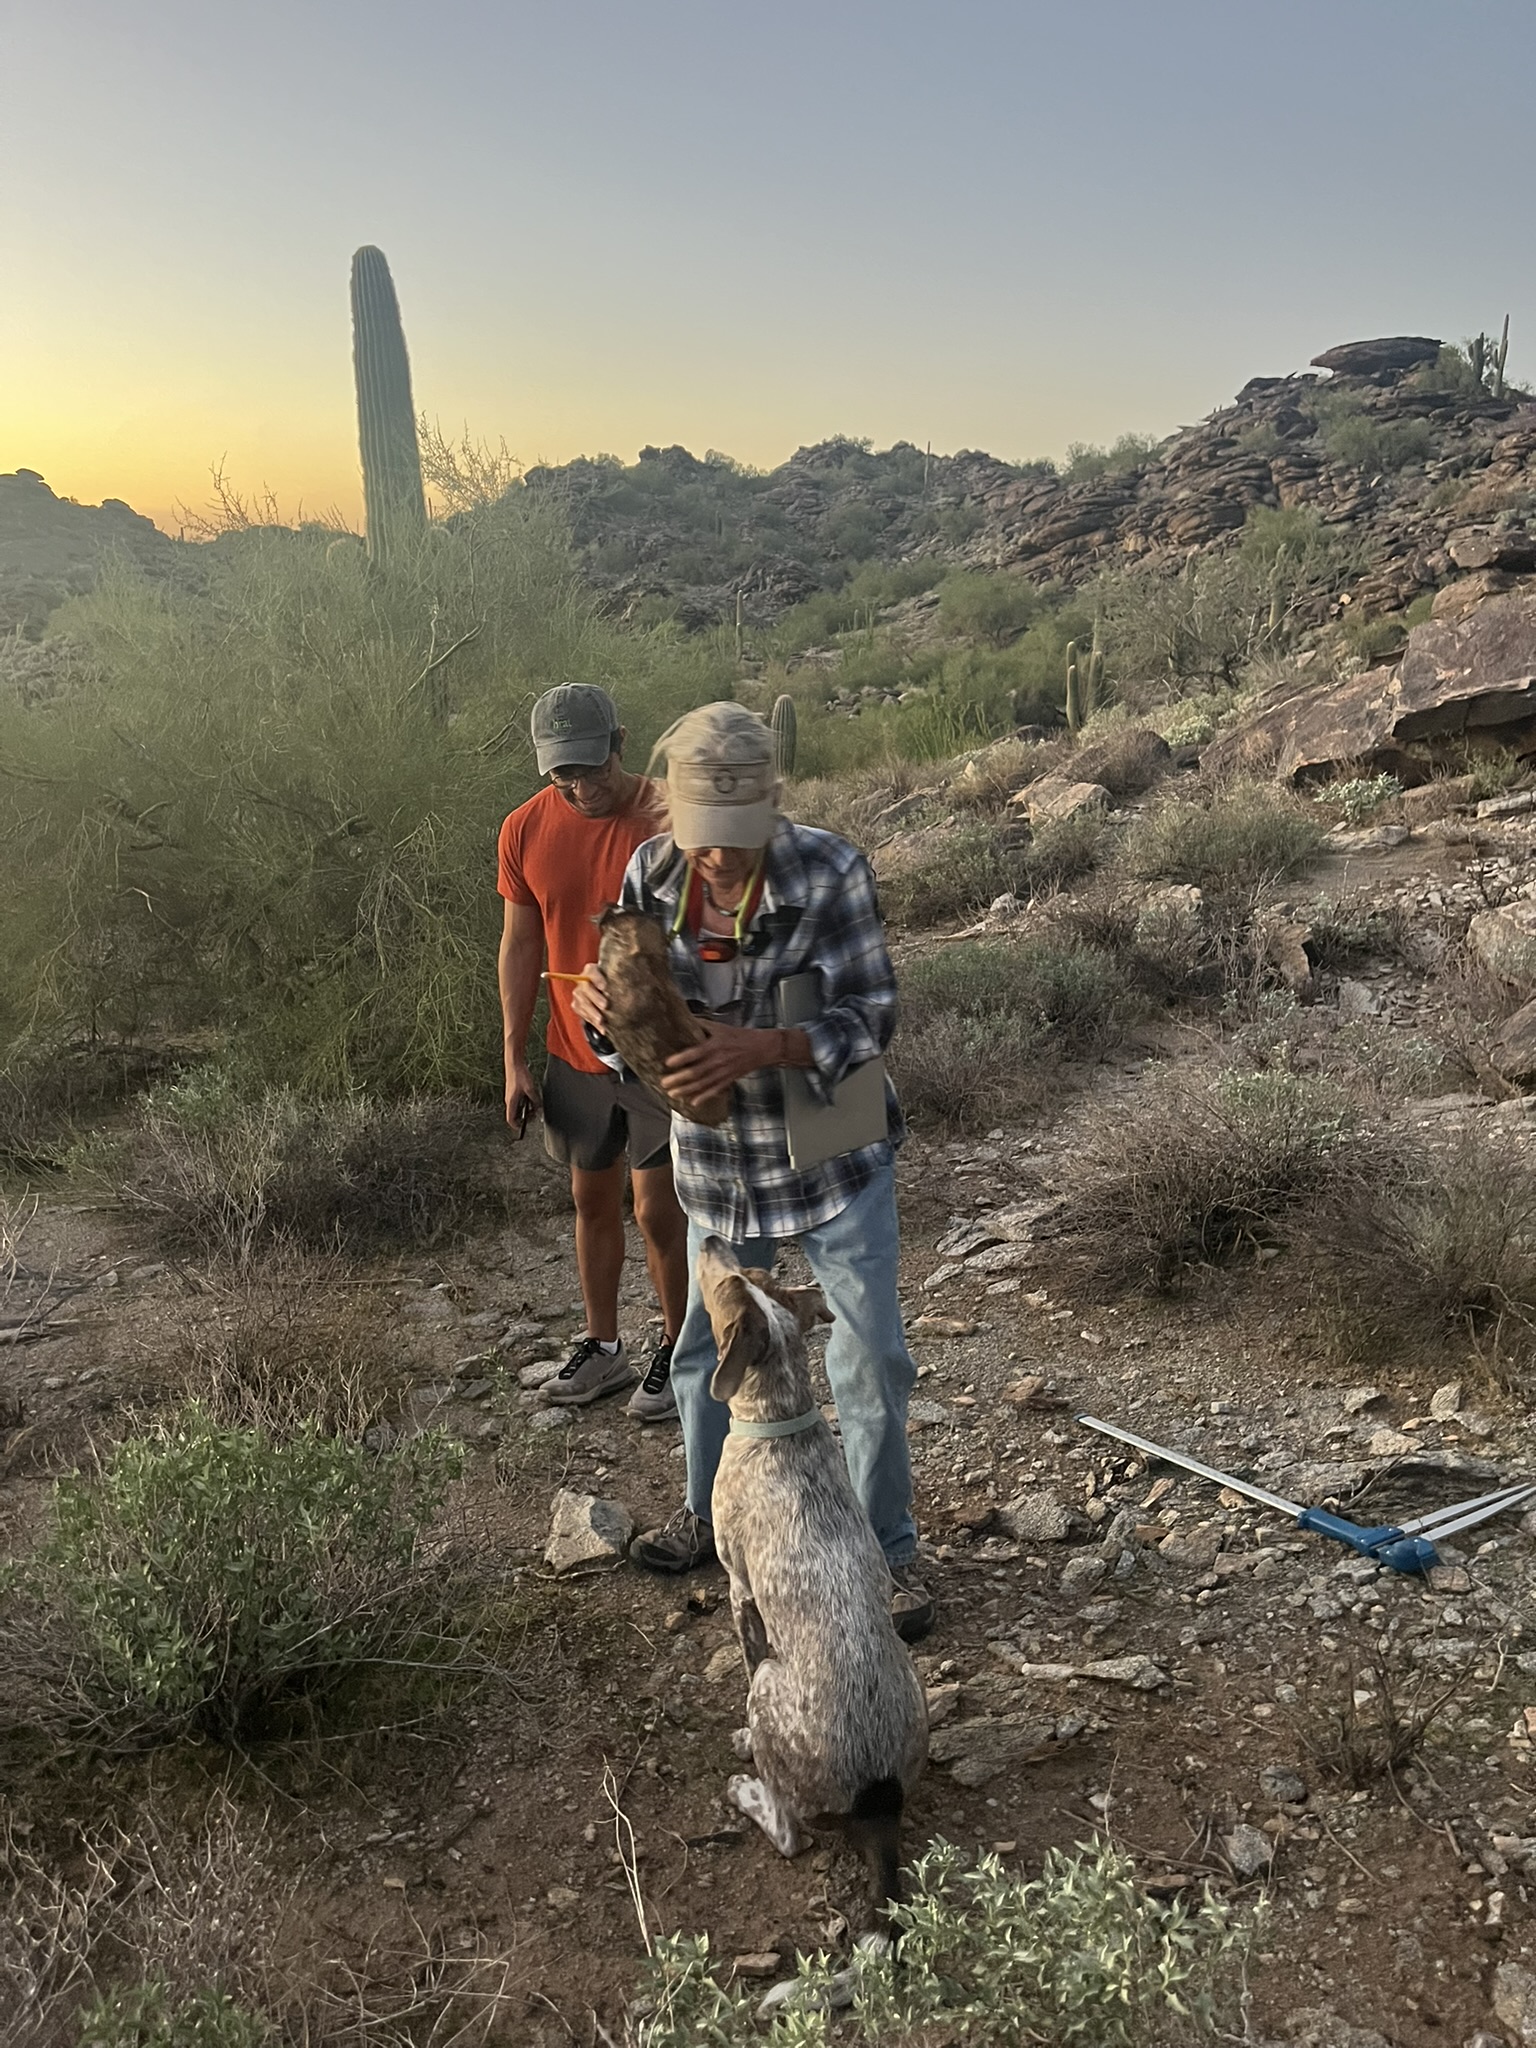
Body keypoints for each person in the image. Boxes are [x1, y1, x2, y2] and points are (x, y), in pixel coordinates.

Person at [571, 701, 934, 1642]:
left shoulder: (831, 870)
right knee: (703, 1350)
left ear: (773, 803)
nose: (717, 858)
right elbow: (630, 1040)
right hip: (719, 1167)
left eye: (736, 837)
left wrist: (765, 1046)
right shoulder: (651, 874)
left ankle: (885, 1552)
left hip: (833, 1156)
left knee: (870, 1359)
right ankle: (709, 1517)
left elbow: (873, 1016)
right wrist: (602, 1024)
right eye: (702, 837)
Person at [498, 684, 689, 1418]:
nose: (582, 787)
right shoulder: (523, 829)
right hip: (573, 1051)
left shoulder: (672, 814)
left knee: (659, 1209)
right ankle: (605, 1347)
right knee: (590, 1198)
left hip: (657, 1052)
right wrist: (515, 1057)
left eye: (593, 767)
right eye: (563, 774)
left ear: (620, 743)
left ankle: (680, 1348)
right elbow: (521, 944)